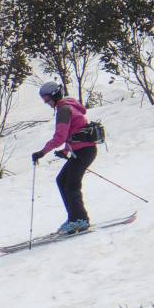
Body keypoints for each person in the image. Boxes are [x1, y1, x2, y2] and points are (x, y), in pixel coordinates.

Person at [31, 81, 97, 234]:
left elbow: (60, 137)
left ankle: (80, 220)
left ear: (54, 95)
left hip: (83, 152)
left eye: (47, 99)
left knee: (71, 186)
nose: (46, 103)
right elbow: (74, 132)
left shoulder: (63, 110)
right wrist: (66, 151)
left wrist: (42, 152)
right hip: (83, 150)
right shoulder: (70, 106)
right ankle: (74, 218)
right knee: (62, 180)